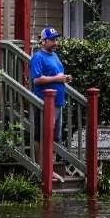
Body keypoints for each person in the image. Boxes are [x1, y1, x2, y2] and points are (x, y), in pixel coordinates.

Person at [30, 27, 72, 177]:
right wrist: (57, 79)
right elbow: (37, 79)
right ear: (43, 41)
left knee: (55, 136)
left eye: (56, 39)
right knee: (42, 134)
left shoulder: (55, 56)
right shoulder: (38, 57)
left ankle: (50, 166)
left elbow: (56, 75)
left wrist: (64, 78)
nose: (55, 42)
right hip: (44, 103)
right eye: (52, 40)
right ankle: (42, 167)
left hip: (58, 101)